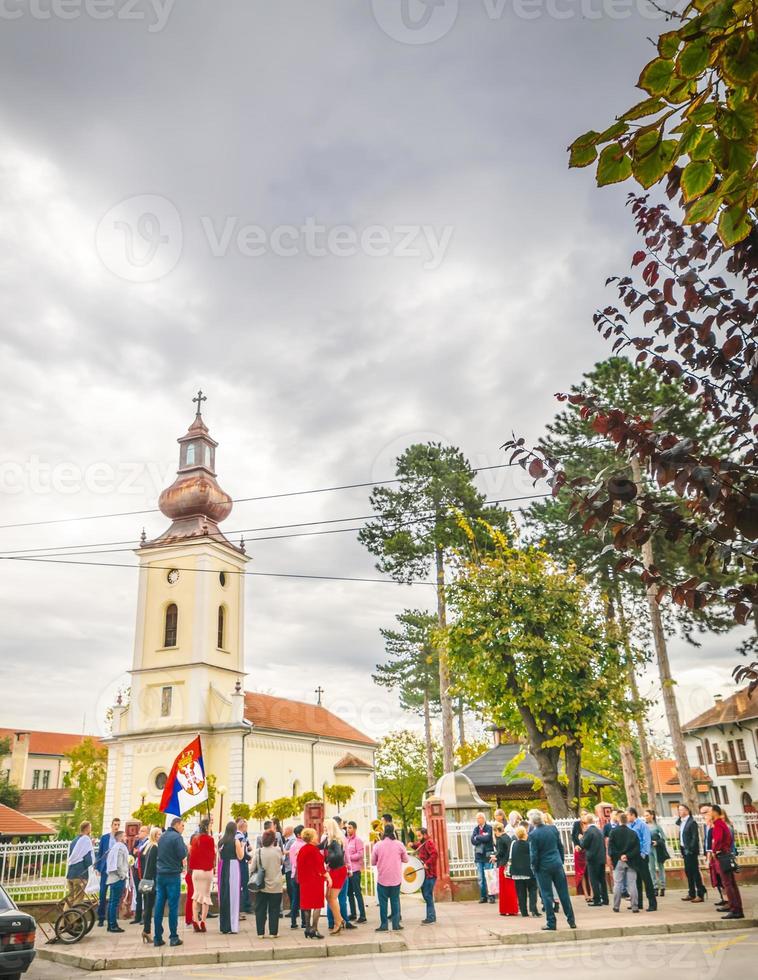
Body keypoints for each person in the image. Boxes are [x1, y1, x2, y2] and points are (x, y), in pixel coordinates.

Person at [527, 810, 576, 931]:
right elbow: (560, 846)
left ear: (532, 822)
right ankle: (571, 920)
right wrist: (561, 860)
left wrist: (534, 867)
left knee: (546, 895)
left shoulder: (533, 835)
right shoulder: (553, 829)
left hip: (543, 867)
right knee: (563, 893)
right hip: (556, 863)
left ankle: (551, 922)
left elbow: (534, 854)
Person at [153, 816, 188, 948]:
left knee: (159, 906)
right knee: (173, 906)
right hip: (172, 875)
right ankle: (173, 937)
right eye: (182, 826)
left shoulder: (162, 836)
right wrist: (185, 848)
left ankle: (157, 937)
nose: (183, 828)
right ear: (177, 824)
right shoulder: (177, 837)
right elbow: (181, 854)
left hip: (160, 874)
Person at [372, 823, 408, 932]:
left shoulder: (378, 845)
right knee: (395, 901)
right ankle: (396, 925)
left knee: (383, 903)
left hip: (382, 878)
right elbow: (406, 859)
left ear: (384, 832)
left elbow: (373, 862)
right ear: (393, 831)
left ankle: (384, 925)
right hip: (395, 879)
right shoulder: (399, 844)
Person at [709, 804, 743, 920]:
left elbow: (718, 840)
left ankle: (735, 909)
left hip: (722, 856)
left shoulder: (718, 824)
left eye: (709, 812)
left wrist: (714, 851)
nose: (708, 814)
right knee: (731, 883)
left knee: (727, 884)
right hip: (726, 854)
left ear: (715, 812)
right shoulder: (723, 824)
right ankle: (738, 908)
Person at [297, 827, 328, 939]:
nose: (317, 837)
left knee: (307, 906)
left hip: (304, 881)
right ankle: (314, 929)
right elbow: (320, 867)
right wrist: (328, 876)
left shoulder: (302, 849)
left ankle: (307, 928)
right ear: (311, 838)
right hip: (314, 881)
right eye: (315, 835)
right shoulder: (313, 850)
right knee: (317, 905)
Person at [321, 817, 349, 935]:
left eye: (325, 827)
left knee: (331, 897)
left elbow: (338, 855)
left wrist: (327, 860)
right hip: (334, 870)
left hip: (338, 870)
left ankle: (338, 922)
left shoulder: (335, 841)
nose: (324, 829)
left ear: (330, 827)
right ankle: (340, 920)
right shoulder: (328, 839)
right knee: (328, 897)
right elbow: (319, 846)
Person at [254, 829, 284, 938]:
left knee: (260, 909)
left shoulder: (258, 851)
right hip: (276, 885)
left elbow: (252, 868)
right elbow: (281, 862)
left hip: (262, 885)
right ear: (273, 840)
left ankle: (260, 933)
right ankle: (273, 932)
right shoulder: (278, 850)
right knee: (274, 909)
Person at [608, 812, 640, 913]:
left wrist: (619, 856)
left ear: (618, 820)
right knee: (632, 884)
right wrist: (628, 855)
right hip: (631, 861)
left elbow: (611, 848)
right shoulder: (633, 833)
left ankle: (616, 906)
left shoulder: (613, 832)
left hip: (618, 861)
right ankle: (634, 906)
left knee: (617, 884)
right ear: (627, 821)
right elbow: (637, 848)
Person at [627, 807, 657, 911]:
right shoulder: (629, 825)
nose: (626, 817)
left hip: (641, 856)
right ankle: (638, 903)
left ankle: (652, 904)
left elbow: (646, 840)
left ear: (632, 815)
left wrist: (644, 853)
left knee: (647, 880)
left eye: (628, 815)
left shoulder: (642, 825)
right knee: (636, 881)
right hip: (633, 856)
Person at [218, 820, 245, 935]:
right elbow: (240, 856)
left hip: (223, 867)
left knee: (224, 895)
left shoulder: (220, 842)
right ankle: (233, 925)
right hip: (233, 867)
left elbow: (219, 858)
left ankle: (224, 925)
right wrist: (243, 847)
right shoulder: (236, 841)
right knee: (233, 895)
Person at [507, 825, 539, 918]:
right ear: (525, 834)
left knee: (521, 893)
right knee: (533, 890)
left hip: (516, 872)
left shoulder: (513, 844)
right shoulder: (529, 844)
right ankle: (533, 910)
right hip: (528, 872)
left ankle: (524, 912)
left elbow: (511, 857)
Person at [189, 818, 215, 933]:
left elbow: (192, 854)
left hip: (196, 871)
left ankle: (195, 920)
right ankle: (203, 921)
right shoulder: (210, 839)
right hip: (206, 871)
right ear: (207, 827)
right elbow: (212, 855)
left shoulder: (195, 839)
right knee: (205, 896)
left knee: (195, 896)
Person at [676, 804, 706, 902]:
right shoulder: (682, 822)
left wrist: (691, 849)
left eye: (681, 810)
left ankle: (700, 894)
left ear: (687, 810)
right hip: (684, 850)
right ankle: (691, 893)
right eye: (679, 810)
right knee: (688, 872)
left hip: (691, 851)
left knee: (695, 872)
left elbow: (695, 838)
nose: (679, 812)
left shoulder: (692, 822)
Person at [95, 817, 121, 927]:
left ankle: (112, 918)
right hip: (105, 869)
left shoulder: (119, 839)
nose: (116, 827)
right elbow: (100, 853)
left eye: (118, 825)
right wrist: (97, 867)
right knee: (102, 894)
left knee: (114, 895)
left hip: (114, 870)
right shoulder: (105, 838)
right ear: (111, 825)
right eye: (115, 824)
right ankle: (101, 918)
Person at [411, 826, 438, 924]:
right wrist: (412, 845)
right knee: (426, 895)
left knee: (427, 895)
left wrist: (427, 863)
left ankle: (431, 917)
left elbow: (434, 854)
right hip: (425, 874)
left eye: (419, 835)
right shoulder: (423, 843)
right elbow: (418, 845)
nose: (418, 837)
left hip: (430, 874)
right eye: (417, 836)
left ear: (424, 835)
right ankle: (431, 917)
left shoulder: (429, 843)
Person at [579, 814, 608, 906]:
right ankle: (605, 899)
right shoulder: (599, 831)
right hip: (601, 858)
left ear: (587, 822)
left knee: (594, 879)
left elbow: (584, 844)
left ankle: (597, 899)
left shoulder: (589, 832)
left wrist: (580, 839)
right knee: (602, 879)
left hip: (592, 859)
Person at [139, 827, 161, 944]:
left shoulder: (147, 846)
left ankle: (146, 931)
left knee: (147, 906)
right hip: (151, 881)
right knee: (149, 906)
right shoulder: (154, 847)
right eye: (158, 835)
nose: (160, 836)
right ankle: (147, 931)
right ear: (154, 836)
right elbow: (153, 866)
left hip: (145, 879)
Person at [105, 830, 129, 933]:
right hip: (117, 878)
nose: (126, 837)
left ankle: (110, 924)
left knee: (112, 902)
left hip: (113, 878)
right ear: (120, 837)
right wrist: (122, 876)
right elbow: (118, 864)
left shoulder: (115, 847)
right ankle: (113, 925)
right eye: (124, 836)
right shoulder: (120, 847)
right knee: (114, 902)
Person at [492, 822, 518, 916]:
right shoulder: (507, 837)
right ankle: (512, 909)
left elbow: (500, 852)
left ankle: (504, 909)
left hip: (503, 865)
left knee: (503, 888)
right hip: (509, 865)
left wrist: (495, 857)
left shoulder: (499, 839)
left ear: (496, 831)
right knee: (510, 888)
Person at [65, 821, 94, 905]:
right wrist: (91, 871)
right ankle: (76, 918)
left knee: (70, 900)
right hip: (80, 875)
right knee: (78, 900)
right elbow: (87, 859)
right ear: (87, 829)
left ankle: (65, 918)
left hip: (70, 874)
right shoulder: (86, 840)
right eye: (90, 828)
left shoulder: (74, 840)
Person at [345, 821, 367, 923]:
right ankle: (353, 914)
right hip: (347, 871)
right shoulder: (346, 840)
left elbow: (360, 854)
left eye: (350, 827)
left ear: (354, 829)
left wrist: (349, 858)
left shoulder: (358, 840)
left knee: (357, 893)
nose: (348, 829)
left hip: (355, 870)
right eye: (347, 828)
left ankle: (362, 916)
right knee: (349, 893)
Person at [471, 812, 495, 904]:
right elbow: (472, 840)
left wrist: (478, 838)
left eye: (480, 818)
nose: (478, 820)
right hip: (478, 856)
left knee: (489, 876)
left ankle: (491, 896)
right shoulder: (476, 829)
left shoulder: (489, 828)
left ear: (484, 819)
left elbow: (488, 838)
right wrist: (480, 837)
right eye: (477, 818)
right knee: (481, 878)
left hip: (487, 855)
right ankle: (483, 896)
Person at [286, 825, 308, 930]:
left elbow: (292, 861)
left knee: (295, 898)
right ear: (299, 834)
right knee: (303, 899)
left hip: (294, 874)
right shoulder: (304, 845)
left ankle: (293, 922)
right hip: (302, 875)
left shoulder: (293, 845)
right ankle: (304, 922)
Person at [645, 809, 669, 897]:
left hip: (657, 849)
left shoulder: (657, 826)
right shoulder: (644, 826)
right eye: (645, 815)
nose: (646, 817)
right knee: (651, 868)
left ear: (652, 815)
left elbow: (664, 837)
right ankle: (655, 887)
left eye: (647, 815)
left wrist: (657, 842)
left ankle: (662, 887)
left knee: (660, 867)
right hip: (648, 848)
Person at [131, 826, 149, 926]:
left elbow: (146, 856)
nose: (140, 832)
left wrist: (138, 853)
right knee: (138, 894)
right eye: (140, 830)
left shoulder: (148, 843)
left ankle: (145, 917)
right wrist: (134, 853)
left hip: (144, 872)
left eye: (142, 831)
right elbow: (131, 853)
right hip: (137, 870)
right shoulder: (138, 843)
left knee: (145, 895)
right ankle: (137, 917)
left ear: (147, 833)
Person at [571, 811, 591, 901]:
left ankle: (593, 893)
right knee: (581, 873)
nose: (584, 816)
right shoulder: (576, 824)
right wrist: (576, 845)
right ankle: (586, 894)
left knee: (590, 873)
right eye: (582, 814)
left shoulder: (590, 824)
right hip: (579, 851)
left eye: (585, 814)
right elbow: (573, 836)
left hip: (588, 851)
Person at [236, 819, 252, 915]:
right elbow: (242, 851)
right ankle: (246, 906)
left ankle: (242, 905)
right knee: (245, 884)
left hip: (240, 862)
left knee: (241, 884)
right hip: (242, 862)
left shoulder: (240, 835)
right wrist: (250, 857)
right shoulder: (240, 836)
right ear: (243, 827)